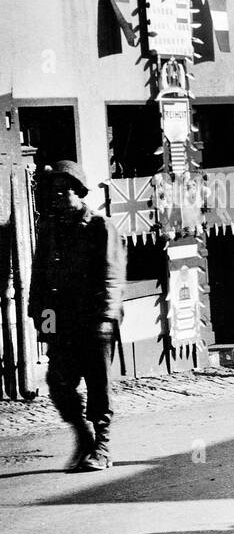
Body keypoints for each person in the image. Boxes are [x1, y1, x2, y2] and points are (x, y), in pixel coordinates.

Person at [27, 161, 125, 472]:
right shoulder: (50, 229)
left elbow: (112, 277)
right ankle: (83, 434)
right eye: (52, 192)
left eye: (62, 191)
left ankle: (103, 445)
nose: (56, 198)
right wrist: (43, 324)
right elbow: (39, 279)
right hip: (61, 321)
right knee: (57, 381)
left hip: (94, 321)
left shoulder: (100, 226)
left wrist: (106, 320)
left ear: (78, 192)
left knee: (98, 386)